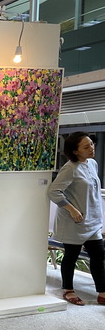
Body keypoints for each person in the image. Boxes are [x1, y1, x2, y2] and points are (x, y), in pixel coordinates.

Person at [48, 131, 105, 306]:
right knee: (71, 256)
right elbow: (53, 191)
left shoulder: (93, 164)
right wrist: (72, 209)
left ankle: (102, 292)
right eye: (86, 147)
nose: (92, 148)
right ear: (75, 151)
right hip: (73, 221)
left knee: (98, 255)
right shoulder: (70, 169)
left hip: (92, 220)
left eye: (92, 144)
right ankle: (68, 290)